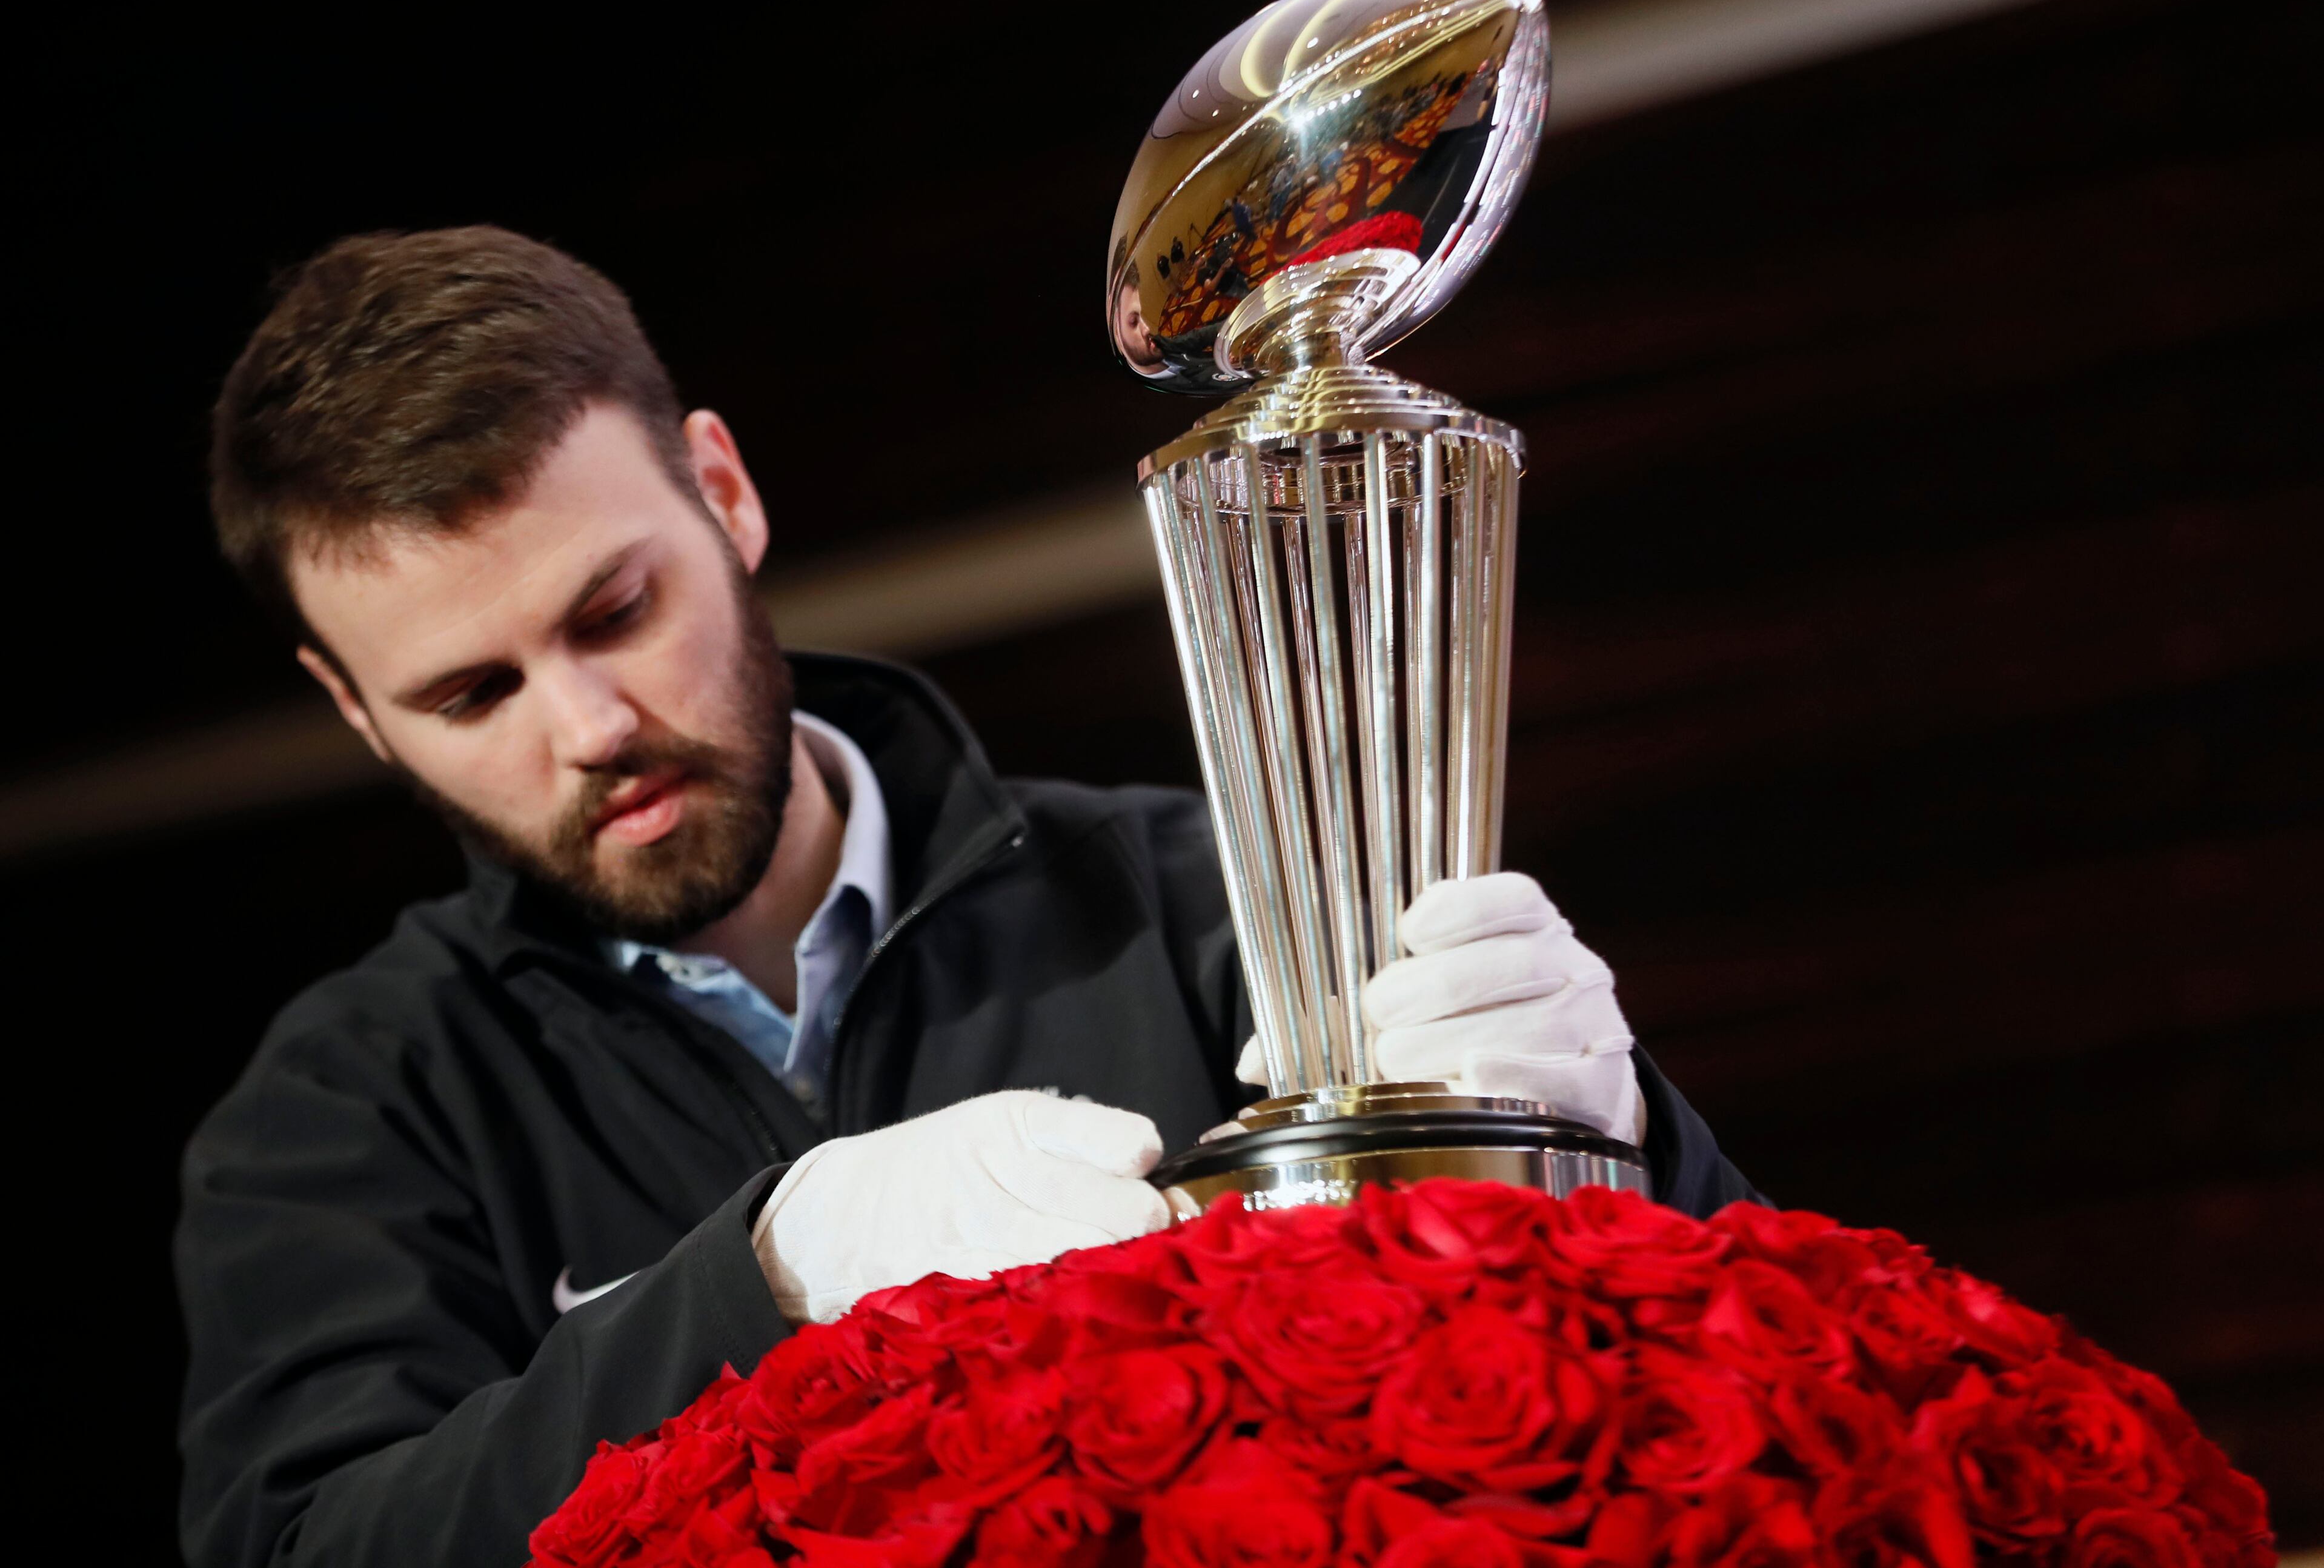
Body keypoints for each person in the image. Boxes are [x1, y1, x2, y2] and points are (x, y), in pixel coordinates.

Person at [177, 226, 1762, 1567]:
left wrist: (1606, 1148)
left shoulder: (1205, 900)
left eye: (616, 607)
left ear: (723, 492)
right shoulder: (345, 1112)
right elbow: (316, 1545)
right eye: (471, 693)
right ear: (354, 710)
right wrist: (763, 1274)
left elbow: (1758, 1403)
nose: (586, 726)